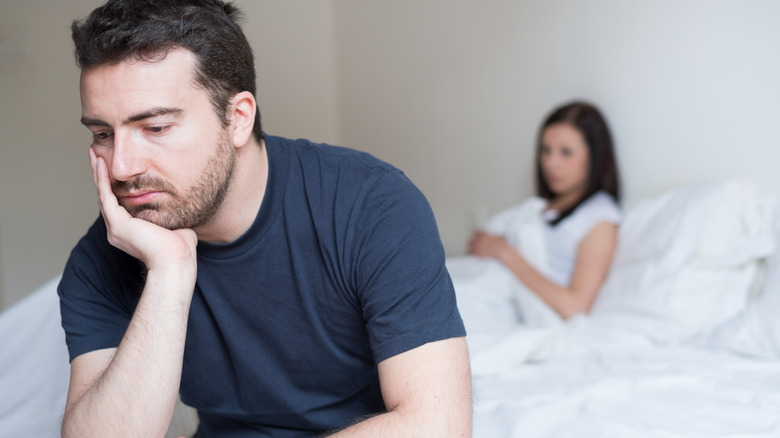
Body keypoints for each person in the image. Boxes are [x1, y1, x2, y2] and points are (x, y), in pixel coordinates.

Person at [57, 1, 471, 436]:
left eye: (156, 128)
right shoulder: (100, 257)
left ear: (237, 119)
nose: (121, 166)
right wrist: (169, 274)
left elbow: (437, 425)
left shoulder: (372, 204)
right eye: (102, 134)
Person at [468, 101, 621, 319]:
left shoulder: (600, 217)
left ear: (595, 156)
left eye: (566, 152)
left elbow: (575, 306)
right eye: (546, 150)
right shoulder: (542, 208)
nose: (550, 163)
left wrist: (503, 252)